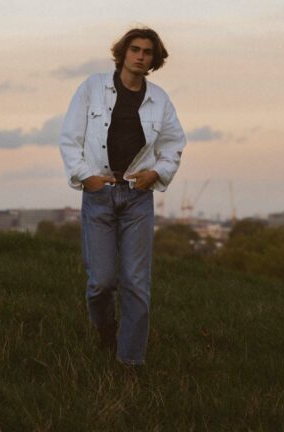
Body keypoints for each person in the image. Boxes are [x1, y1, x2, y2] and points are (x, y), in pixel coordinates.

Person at [58, 27, 186, 368]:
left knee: (136, 283)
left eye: (147, 52)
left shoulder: (159, 99)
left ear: (154, 60)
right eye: (135, 49)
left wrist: (156, 173)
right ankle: (105, 328)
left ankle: (130, 362)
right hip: (99, 196)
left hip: (137, 199)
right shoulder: (92, 88)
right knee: (100, 282)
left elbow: (173, 144)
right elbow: (70, 139)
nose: (141, 56)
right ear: (123, 53)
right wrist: (88, 178)